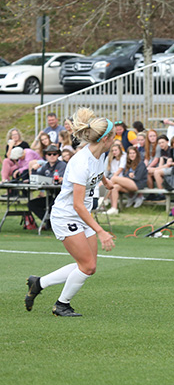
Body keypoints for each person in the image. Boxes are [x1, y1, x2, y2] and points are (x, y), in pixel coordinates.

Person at [24, 108, 116, 317]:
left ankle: (38, 283)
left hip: (81, 215)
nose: (115, 140)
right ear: (105, 139)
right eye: (114, 137)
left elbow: (97, 169)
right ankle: (61, 305)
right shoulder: (80, 162)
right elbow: (78, 205)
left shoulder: (99, 152)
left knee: (87, 266)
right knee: (87, 265)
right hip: (67, 216)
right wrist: (101, 231)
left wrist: (105, 180)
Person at [27, 144, 67, 223]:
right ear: (46, 156)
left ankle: (52, 223)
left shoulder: (62, 165)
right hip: (50, 196)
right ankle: (47, 222)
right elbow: (38, 179)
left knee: (52, 205)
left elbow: (58, 180)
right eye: (49, 154)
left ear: (58, 155)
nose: (52, 156)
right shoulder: (45, 166)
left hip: (61, 197)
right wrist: (34, 170)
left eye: (54, 154)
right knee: (31, 204)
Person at [107, 146, 147, 214]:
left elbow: (138, 177)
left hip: (137, 184)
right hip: (129, 184)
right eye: (130, 153)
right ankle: (114, 208)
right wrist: (129, 176)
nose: (132, 155)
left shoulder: (141, 164)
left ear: (137, 154)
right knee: (115, 187)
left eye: (134, 153)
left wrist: (131, 176)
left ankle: (104, 198)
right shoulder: (129, 164)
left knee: (113, 178)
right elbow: (125, 175)